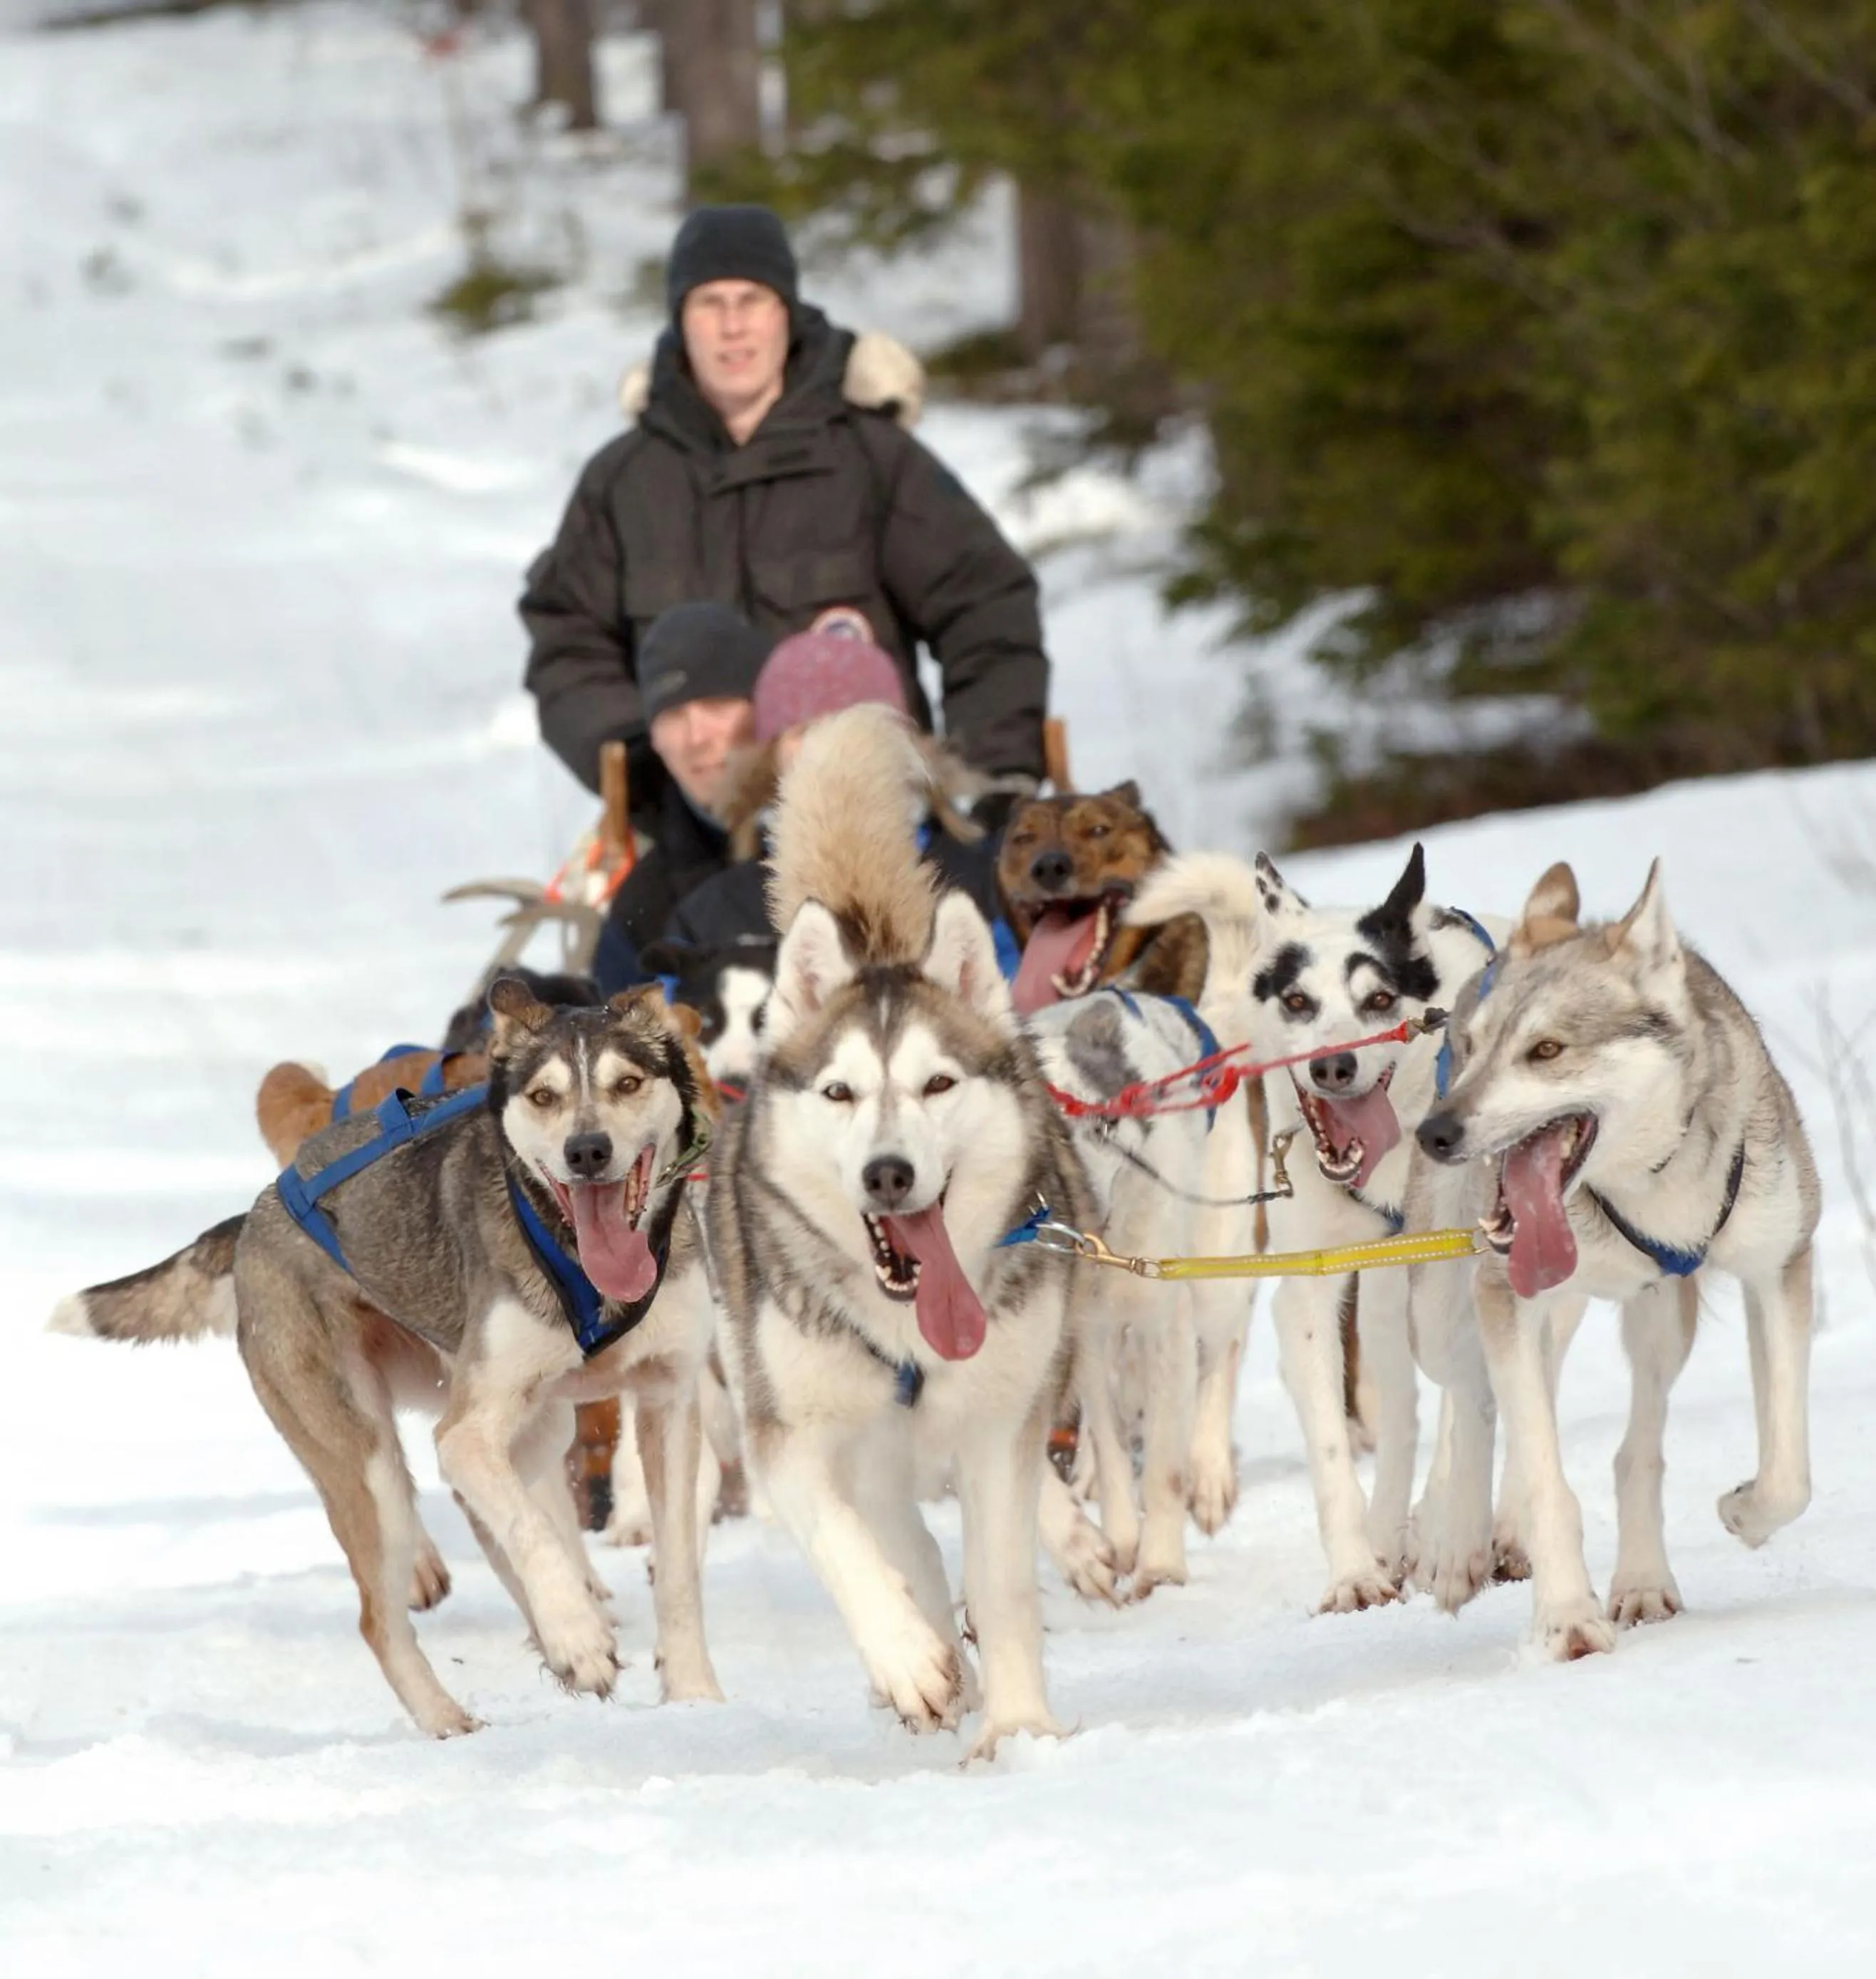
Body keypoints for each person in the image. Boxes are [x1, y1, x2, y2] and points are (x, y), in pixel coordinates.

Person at [519, 202, 1050, 834]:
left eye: (752, 299)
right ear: (679, 320)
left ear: (787, 315)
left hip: (874, 821)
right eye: (709, 303)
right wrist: (642, 770)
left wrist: (988, 776)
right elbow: (566, 642)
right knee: (633, 932)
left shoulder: (870, 459)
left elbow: (986, 605)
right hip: (697, 833)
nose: (732, 326)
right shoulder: (624, 480)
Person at [647, 626, 1018, 971]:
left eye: (849, 722)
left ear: (899, 742)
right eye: (803, 730)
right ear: (770, 757)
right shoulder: (710, 917)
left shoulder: (989, 874)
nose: (828, 745)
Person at [589, 601, 771, 993]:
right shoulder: (643, 908)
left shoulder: (860, 846)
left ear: (767, 711)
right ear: (653, 739)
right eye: (673, 716)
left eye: (718, 705)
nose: (696, 737)